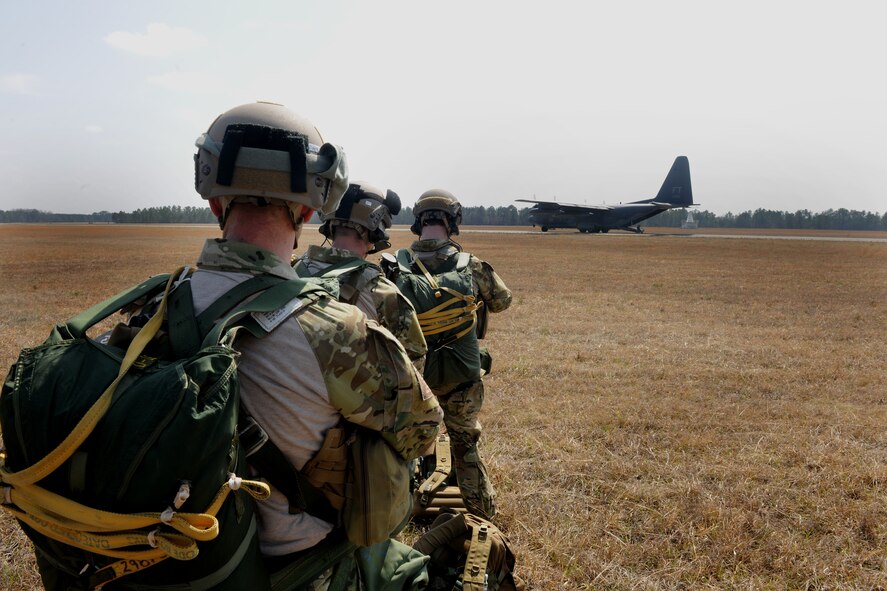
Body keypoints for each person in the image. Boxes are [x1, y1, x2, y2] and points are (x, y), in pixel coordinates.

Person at [193, 102, 443, 586]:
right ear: (309, 209)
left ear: (215, 202)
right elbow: (423, 430)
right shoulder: (335, 331)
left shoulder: (147, 312)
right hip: (299, 571)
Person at [391, 190, 511, 520]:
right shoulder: (469, 265)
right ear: (452, 222)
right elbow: (502, 301)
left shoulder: (394, 268)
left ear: (419, 221)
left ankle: (398, 517)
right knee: (465, 445)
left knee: (405, 448)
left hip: (415, 380)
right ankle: (482, 517)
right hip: (462, 377)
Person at [293, 182, 427, 364]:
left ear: (329, 225)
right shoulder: (383, 293)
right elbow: (413, 359)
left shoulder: (291, 270)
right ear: (375, 230)